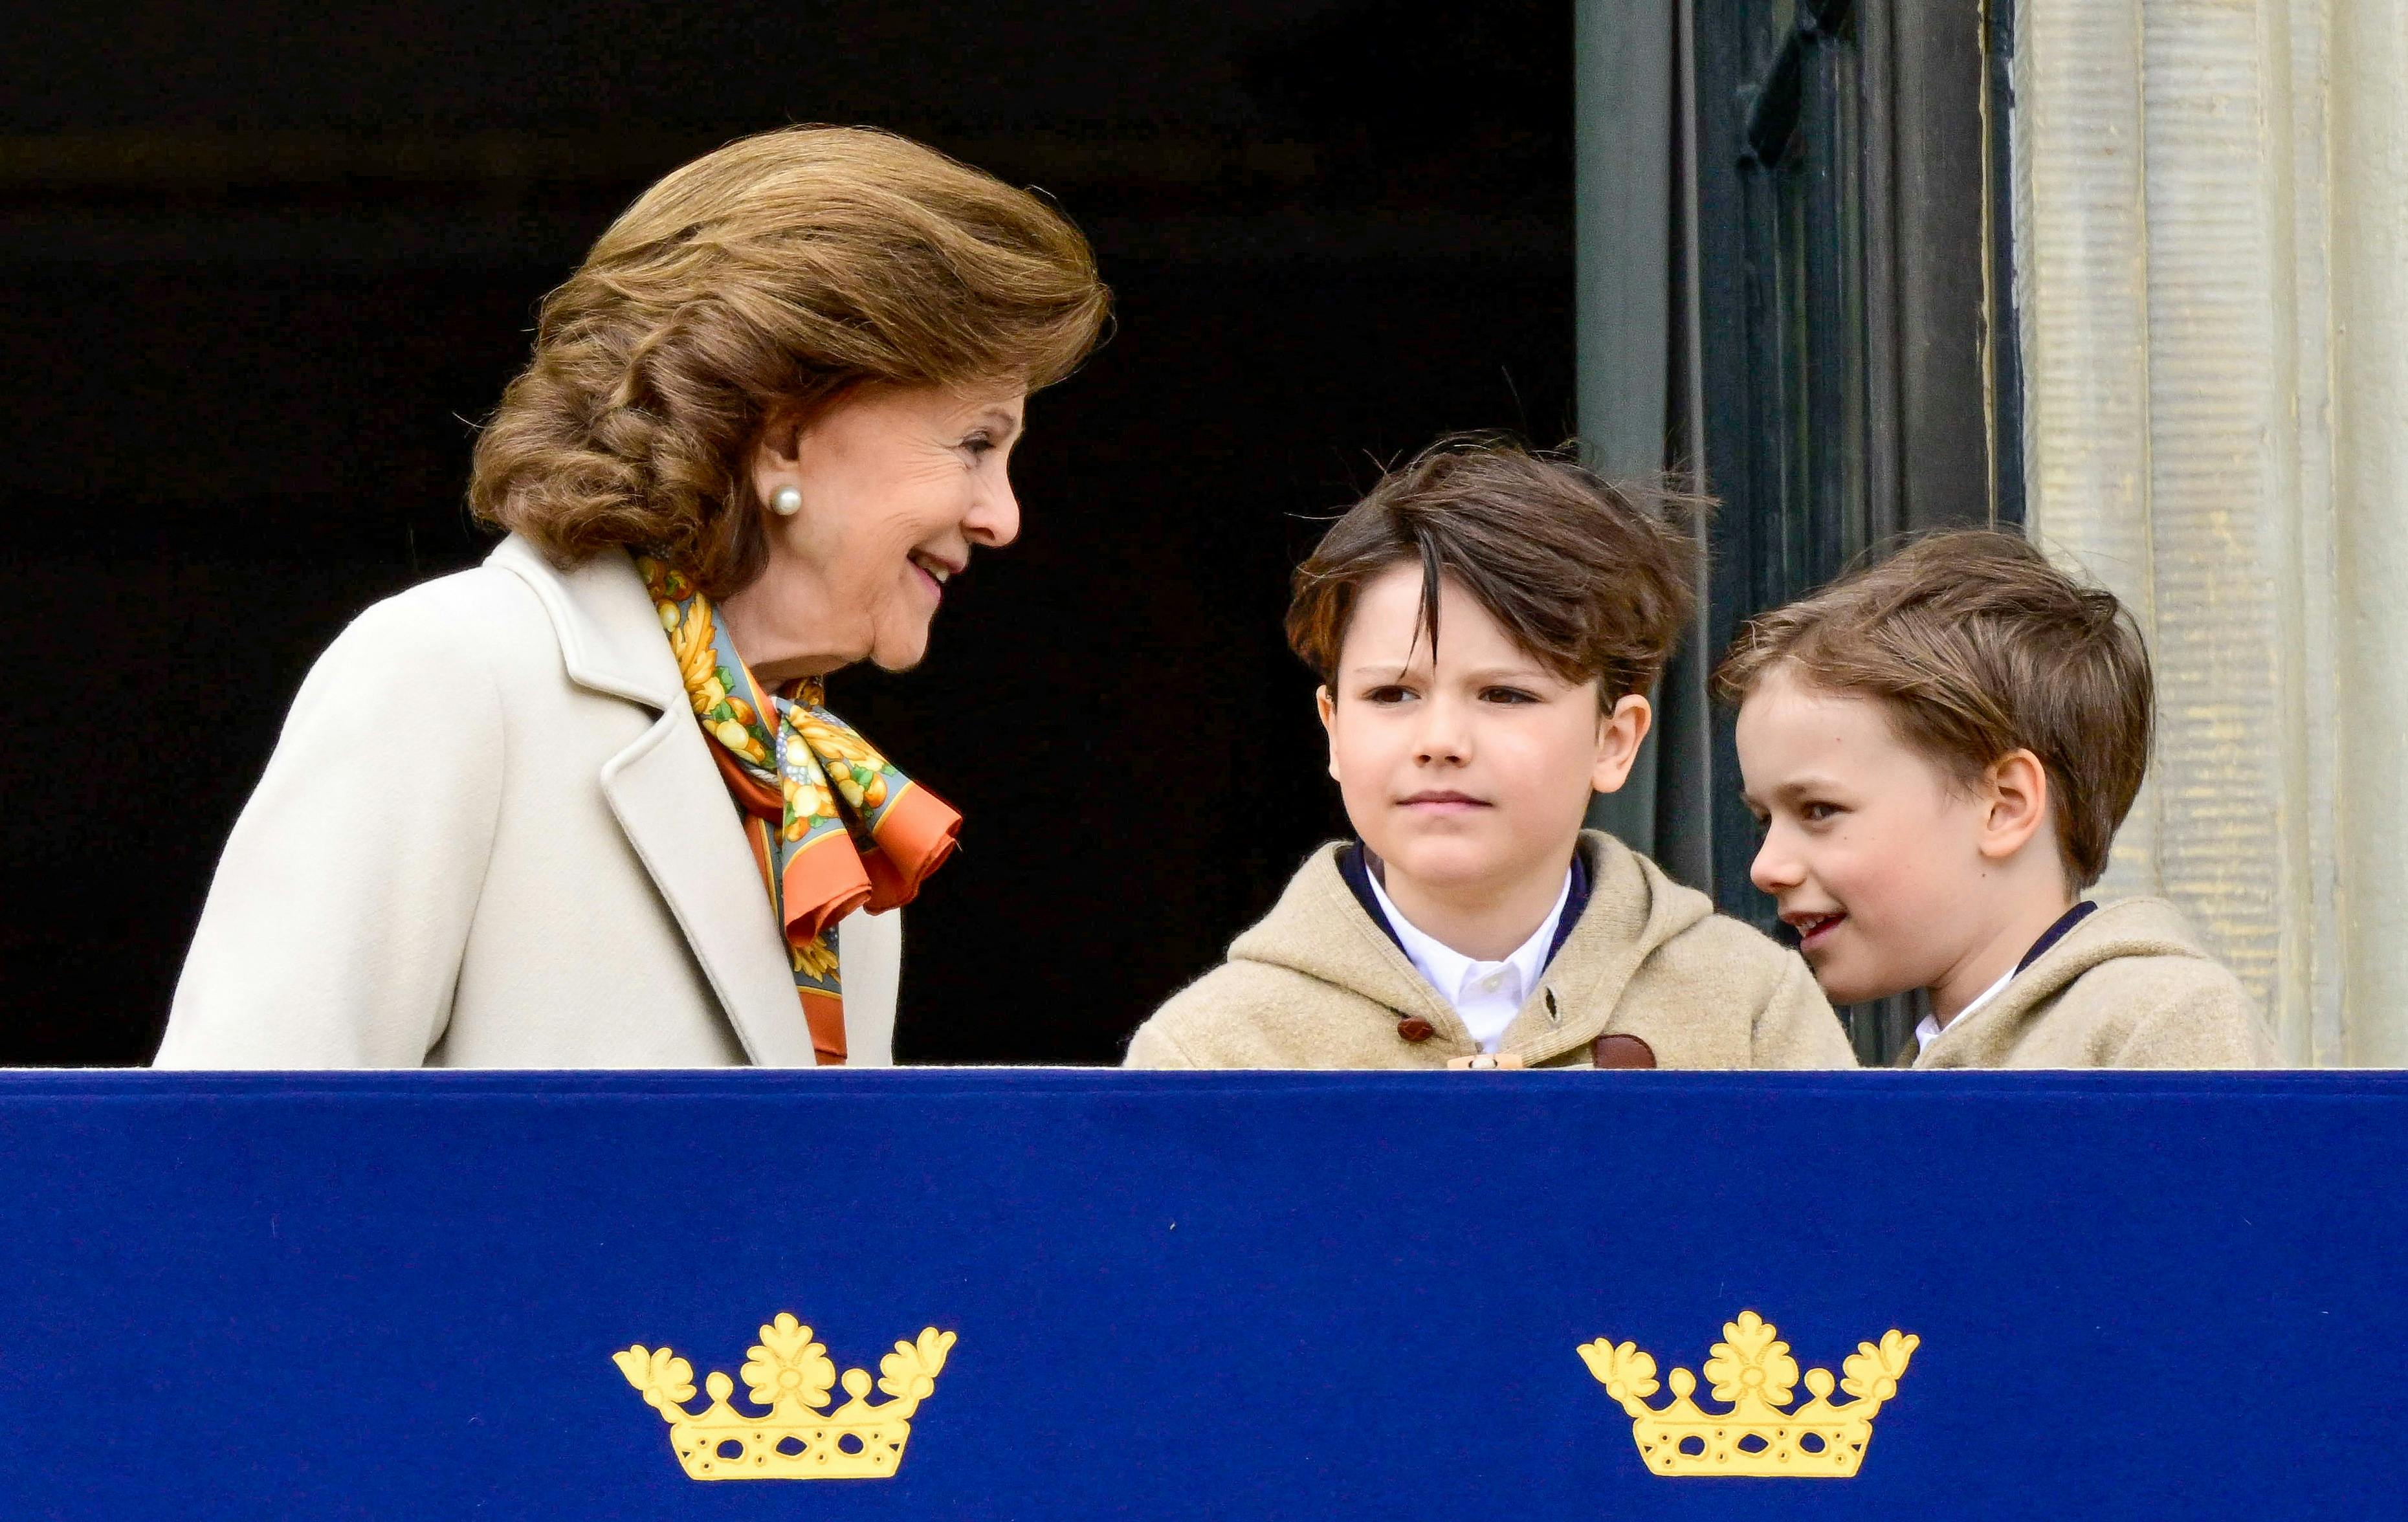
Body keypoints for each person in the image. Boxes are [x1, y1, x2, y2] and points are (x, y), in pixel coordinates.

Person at [157, 127, 1110, 1068]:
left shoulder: (823, 810)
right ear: (786, 431)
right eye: (976, 444)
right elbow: (230, 1172)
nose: (1003, 517)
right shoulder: (453, 673)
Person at [1125, 439, 1855, 1070]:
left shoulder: (1751, 1005)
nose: (1441, 742)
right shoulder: (1211, 1049)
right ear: (1332, 730)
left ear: (1615, 740)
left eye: (1505, 695)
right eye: (1391, 696)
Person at [1720, 529, 2277, 1068]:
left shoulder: (2162, 1021)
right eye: (1763, 820)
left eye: (1819, 810)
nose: (1766, 867)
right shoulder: (1929, 1060)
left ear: (2004, 806)